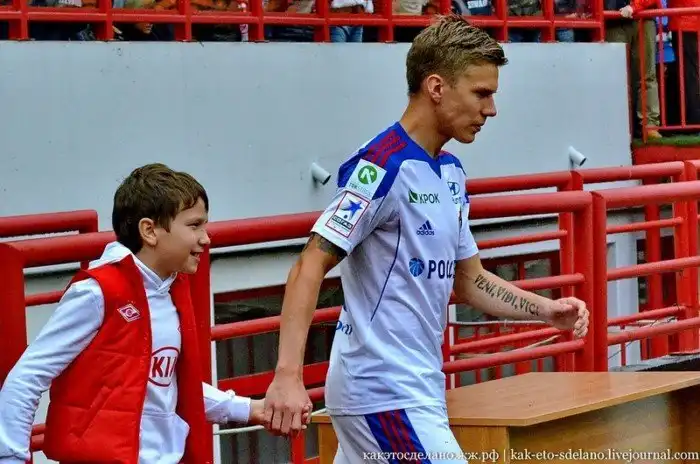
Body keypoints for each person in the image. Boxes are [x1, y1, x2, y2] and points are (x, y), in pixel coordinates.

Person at [262, 15, 590, 463]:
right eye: (481, 93)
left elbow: (469, 280)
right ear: (436, 87)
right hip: (384, 392)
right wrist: (287, 376)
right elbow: (309, 264)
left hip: (414, 389)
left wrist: (546, 311)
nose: (491, 109)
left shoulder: (452, 171)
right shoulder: (380, 166)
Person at [0, 163, 266, 464]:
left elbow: (165, 388)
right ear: (149, 231)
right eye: (194, 226)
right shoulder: (97, 292)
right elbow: (28, 375)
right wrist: (11, 457)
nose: (206, 238)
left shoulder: (171, 291)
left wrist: (250, 409)